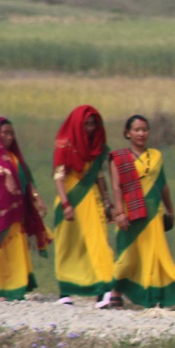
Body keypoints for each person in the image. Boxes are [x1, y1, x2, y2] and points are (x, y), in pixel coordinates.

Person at [107, 115, 175, 308]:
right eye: (137, 130)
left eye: (145, 130)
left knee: (154, 256)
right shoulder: (120, 158)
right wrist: (119, 213)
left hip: (153, 214)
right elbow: (116, 187)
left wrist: (171, 210)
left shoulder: (156, 156)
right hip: (130, 212)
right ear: (127, 133)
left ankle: (152, 294)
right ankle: (115, 290)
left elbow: (163, 185)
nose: (141, 133)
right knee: (128, 255)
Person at [52, 105, 116, 307]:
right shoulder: (65, 145)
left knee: (97, 241)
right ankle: (65, 292)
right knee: (68, 245)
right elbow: (59, 177)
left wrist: (107, 201)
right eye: (86, 124)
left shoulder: (95, 147)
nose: (89, 128)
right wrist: (65, 204)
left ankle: (105, 289)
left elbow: (99, 176)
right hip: (70, 200)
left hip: (92, 200)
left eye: (93, 124)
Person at [0, 117, 52, 300]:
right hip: (0, 214)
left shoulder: (15, 159)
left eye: (11, 133)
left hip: (17, 213)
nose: (9, 137)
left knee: (15, 251)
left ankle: (16, 288)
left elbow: (27, 182)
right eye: (4, 132)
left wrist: (37, 200)